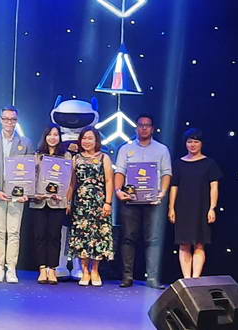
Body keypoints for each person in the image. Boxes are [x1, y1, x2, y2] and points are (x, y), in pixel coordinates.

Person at [113, 113, 173, 289]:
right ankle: (127, 277)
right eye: (141, 125)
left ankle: (152, 278)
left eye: (147, 125)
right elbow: (120, 172)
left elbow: (166, 173)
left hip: (153, 202)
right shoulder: (125, 149)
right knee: (128, 238)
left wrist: (162, 193)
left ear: (152, 128)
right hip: (130, 200)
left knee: (153, 239)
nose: (144, 128)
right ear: (136, 127)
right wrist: (118, 191)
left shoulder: (162, 149)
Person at [0, 106, 34, 283]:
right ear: (0, 120)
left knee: (14, 233)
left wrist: (25, 192)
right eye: (6, 119)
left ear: (17, 121)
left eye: (12, 119)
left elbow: (29, 171)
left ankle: (11, 268)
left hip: (17, 195)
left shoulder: (26, 143)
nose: (9, 122)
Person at [168, 128, 221, 279]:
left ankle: (195, 279)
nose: (192, 145)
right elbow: (174, 187)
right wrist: (171, 208)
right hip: (182, 208)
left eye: (196, 141)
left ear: (201, 143)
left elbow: (214, 187)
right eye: (189, 141)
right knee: (184, 244)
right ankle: (187, 280)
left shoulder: (209, 163)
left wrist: (212, 208)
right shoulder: (178, 163)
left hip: (201, 208)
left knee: (199, 243)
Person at [66, 126, 114, 287]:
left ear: (96, 140)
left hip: (99, 203)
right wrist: (68, 202)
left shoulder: (104, 157)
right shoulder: (76, 158)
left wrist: (108, 202)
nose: (87, 141)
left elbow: (109, 181)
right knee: (82, 237)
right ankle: (85, 271)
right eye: (84, 138)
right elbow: (72, 183)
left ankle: (95, 270)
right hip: (80, 204)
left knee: (98, 237)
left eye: (90, 138)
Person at [30, 124, 68, 285]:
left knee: (54, 236)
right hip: (39, 201)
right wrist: (34, 194)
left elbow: (69, 179)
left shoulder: (66, 155)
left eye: (56, 135)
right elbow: (31, 178)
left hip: (57, 201)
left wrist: (66, 197)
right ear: (45, 137)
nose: (53, 137)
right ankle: (42, 269)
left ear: (60, 137)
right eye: (50, 134)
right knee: (39, 235)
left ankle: (52, 269)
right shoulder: (37, 155)